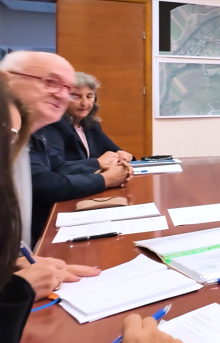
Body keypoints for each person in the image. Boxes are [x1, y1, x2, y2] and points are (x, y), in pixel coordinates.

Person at [0, 79, 179, 343]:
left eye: (89, 95)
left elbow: (107, 152)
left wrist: (11, 270)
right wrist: (16, 290)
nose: (62, 96)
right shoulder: (52, 129)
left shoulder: (88, 125)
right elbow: (48, 176)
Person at [0, 52, 132, 244]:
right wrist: (104, 178)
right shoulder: (14, 133)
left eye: (67, 88)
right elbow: (42, 183)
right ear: (6, 79)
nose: (62, 95)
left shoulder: (36, 132)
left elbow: (56, 167)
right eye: (51, 82)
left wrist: (106, 167)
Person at [43, 72, 133, 165]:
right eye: (76, 97)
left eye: (89, 96)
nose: (84, 103)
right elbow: (56, 165)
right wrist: (97, 162)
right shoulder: (54, 125)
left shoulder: (91, 125)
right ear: (62, 99)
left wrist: (120, 155)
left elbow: (114, 151)